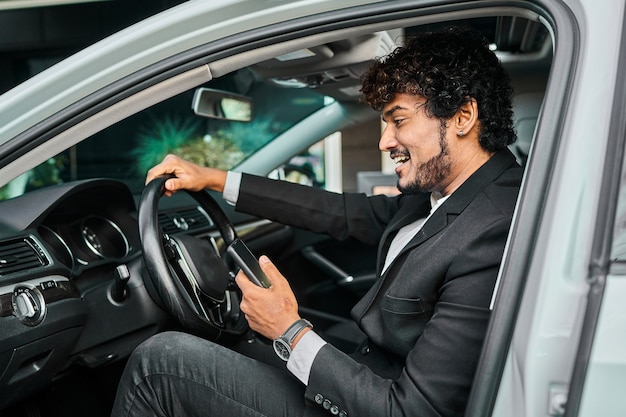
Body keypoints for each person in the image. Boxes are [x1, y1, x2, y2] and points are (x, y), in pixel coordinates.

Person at [111, 26, 521, 417]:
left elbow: (413, 410)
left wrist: (289, 330)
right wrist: (216, 178)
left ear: (463, 116)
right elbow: (340, 212)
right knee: (233, 340)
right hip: (368, 374)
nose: (384, 142)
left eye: (398, 120)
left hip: (380, 402)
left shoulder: (493, 229)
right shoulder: (445, 193)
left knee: (158, 365)